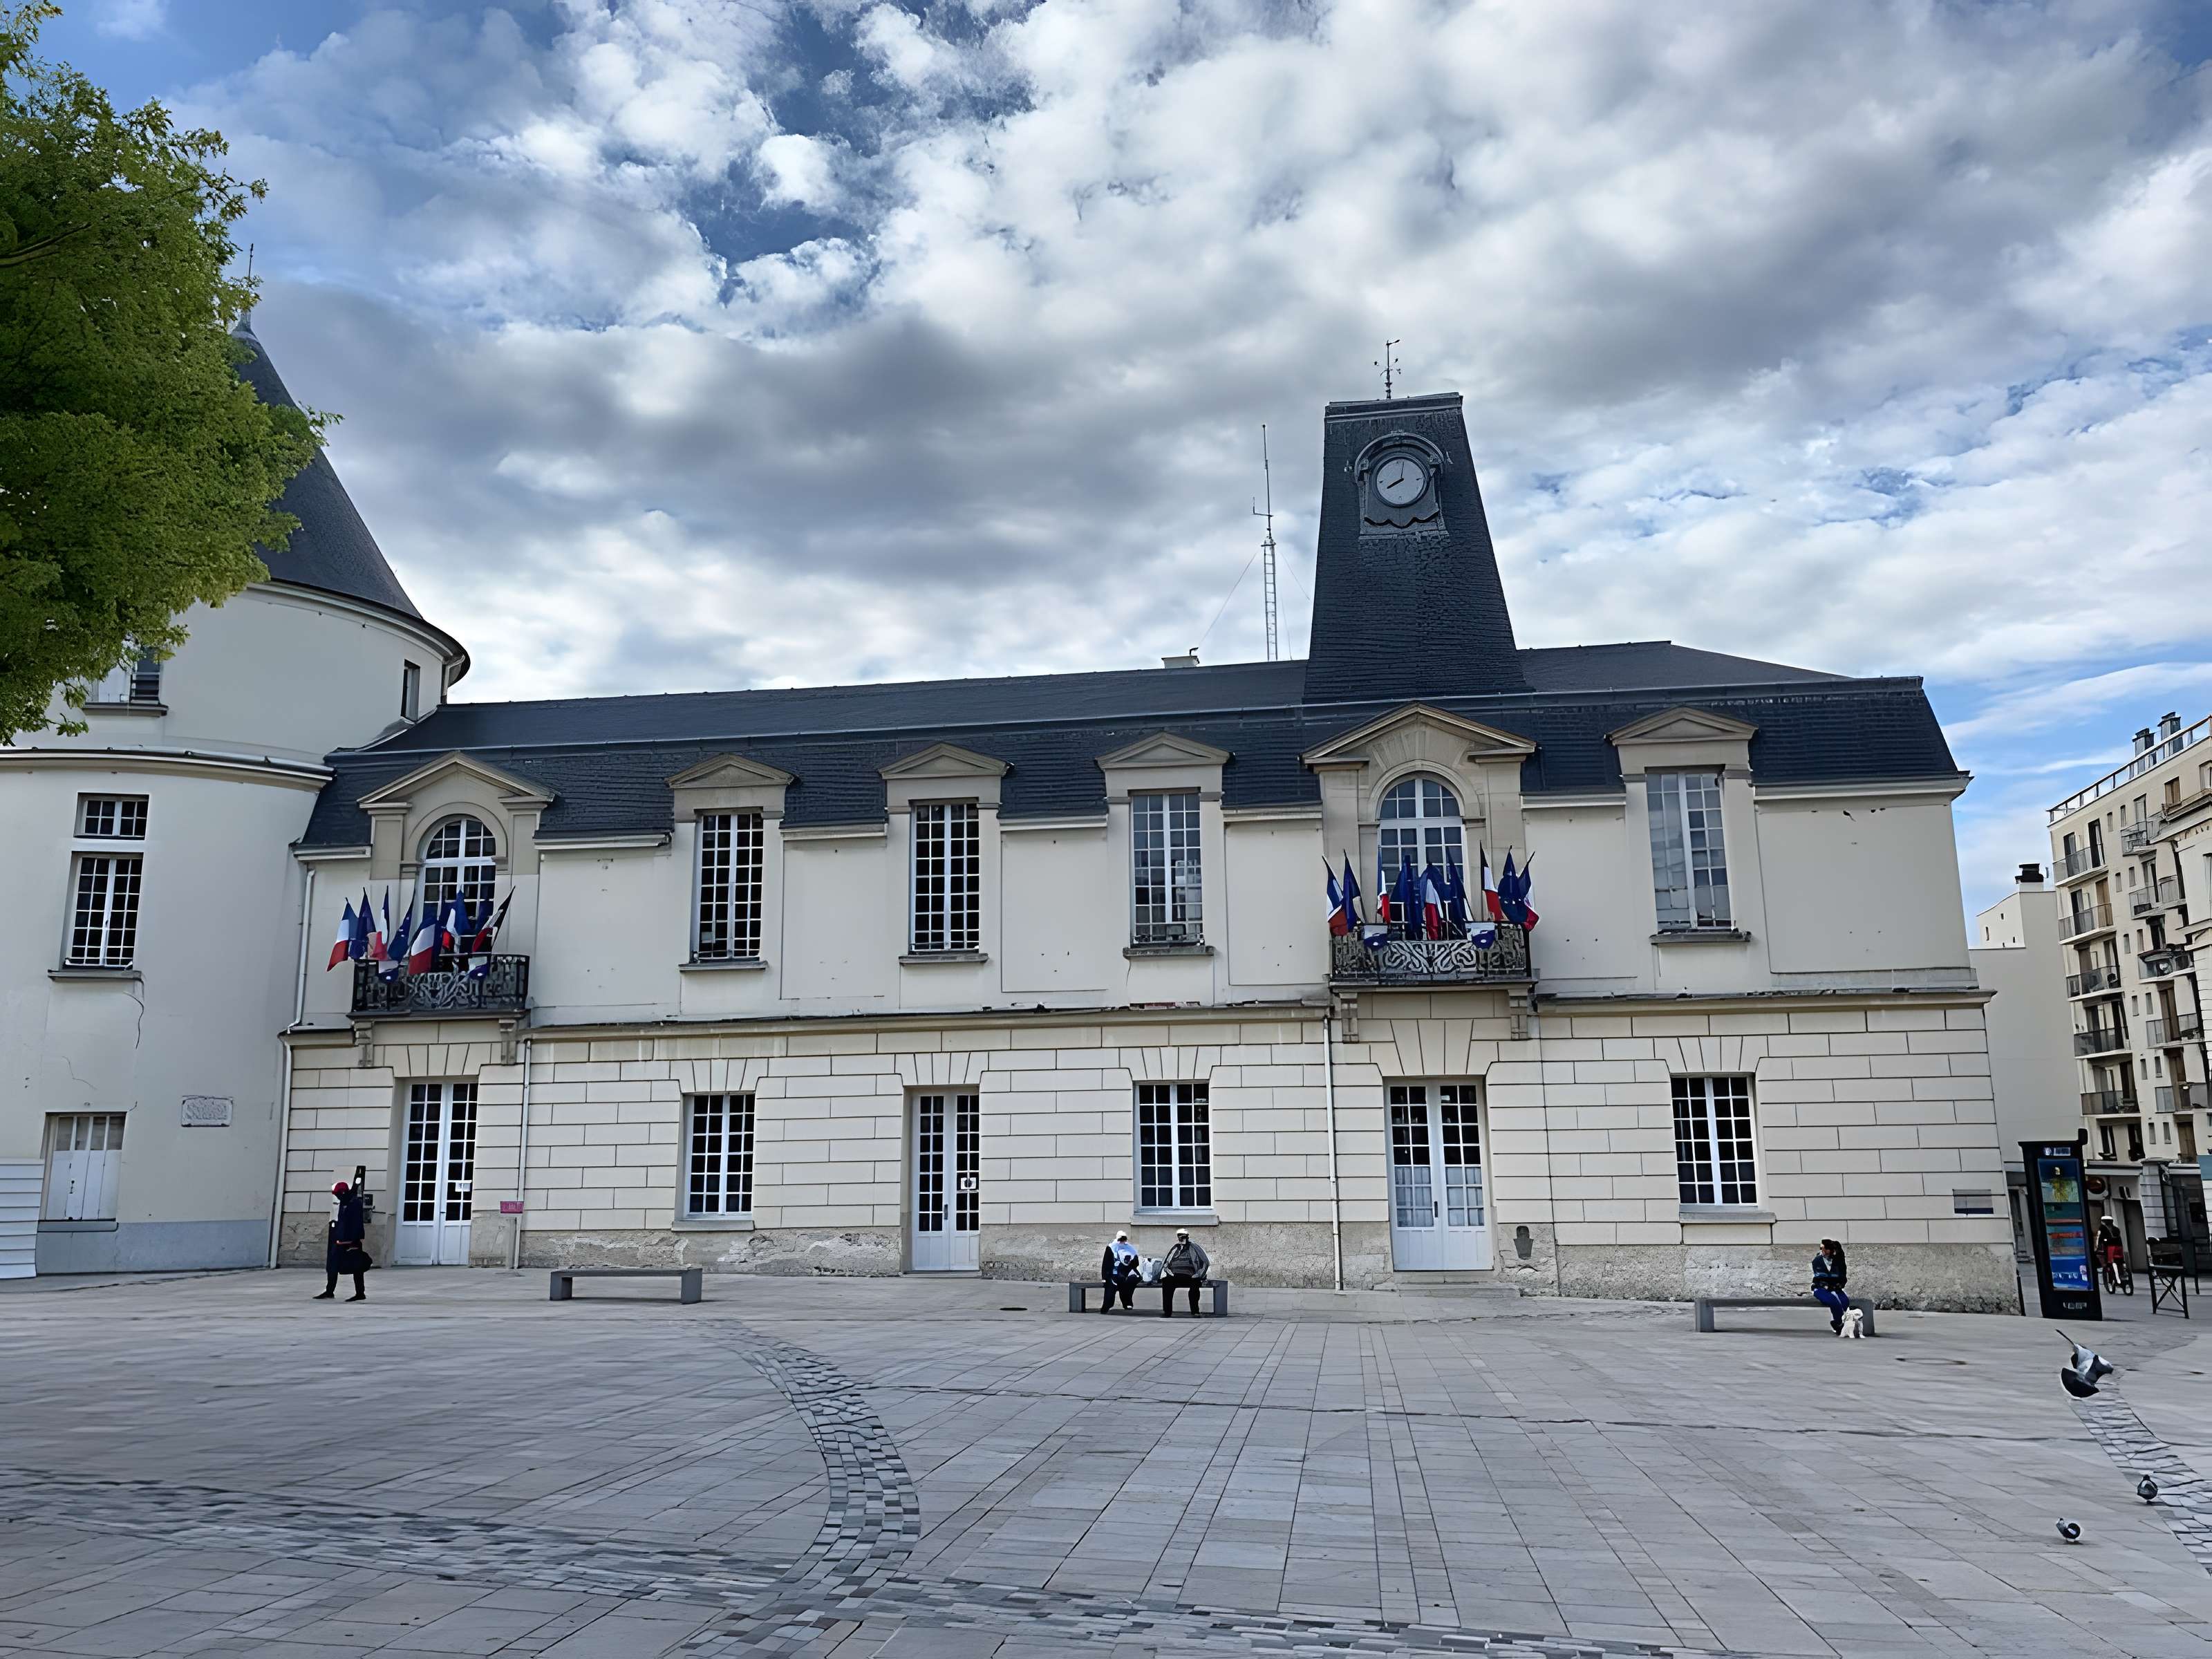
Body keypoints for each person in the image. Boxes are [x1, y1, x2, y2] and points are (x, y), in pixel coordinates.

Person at [315, 1179, 368, 1302]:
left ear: (343, 1193)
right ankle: (330, 1291)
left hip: (351, 1241)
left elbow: (356, 1224)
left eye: (338, 1194)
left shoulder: (354, 1203)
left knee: (357, 1267)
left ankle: (360, 1293)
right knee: (332, 1265)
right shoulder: (343, 1203)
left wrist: (353, 1241)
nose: (337, 1197)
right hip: (340, 1240)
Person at [1159, 1228, 1210, 1318]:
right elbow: (1166, 1262)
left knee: (1195, 1286)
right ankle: (1167, 1312)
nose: (1181, 1238)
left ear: (1187, 1237)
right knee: (1166, 1282)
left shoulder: (1194, 1247)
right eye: (1179, 1236)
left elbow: (1205, 1262)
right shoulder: (1175, 1248)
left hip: (1190, 1275)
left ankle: (1195, 1311)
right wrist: (1168, 1270)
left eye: (1182, 1236)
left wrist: (1199, 1274)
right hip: (1174, 1275)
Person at [1810, 1237, 1850, 1332]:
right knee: (1833, 1301)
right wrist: (1827, 1285)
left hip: (1835, 1288)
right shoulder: (1818, 1260)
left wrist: (1839, 1285)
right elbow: (1819, 1277)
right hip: (1820, 1288)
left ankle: (1844, 1323)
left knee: (1845, 1302)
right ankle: (1839, 1324)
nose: (1823, 1251)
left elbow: (1842, 1277)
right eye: (1822, 1248)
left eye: (1825, 1249)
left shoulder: (1838, 1261)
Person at [1098, 1230, 1140, 1312]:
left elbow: (1136, 1262)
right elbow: (1106, 1263)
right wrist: (1104, 1277)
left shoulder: (1130, 1248)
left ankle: (1127, 1302)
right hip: (1113, 1275)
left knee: (1129, 1284)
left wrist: (1130, 1264)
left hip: (1126, 1274)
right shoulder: (1111, 1247)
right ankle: (1106, 1307)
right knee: (1110, 1289)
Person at [2096, 1215, 2128, 1293]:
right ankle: (2113, 1281)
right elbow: (2099, 1239)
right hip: (2113, 1248)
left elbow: (2100, 1239)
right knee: (2112, 1265)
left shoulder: (2109, 1229)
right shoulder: (2112, 1229)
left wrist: (2099, 1246)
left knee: (2111, 1264)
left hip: (2112, 1248)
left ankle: (2115, 1280)